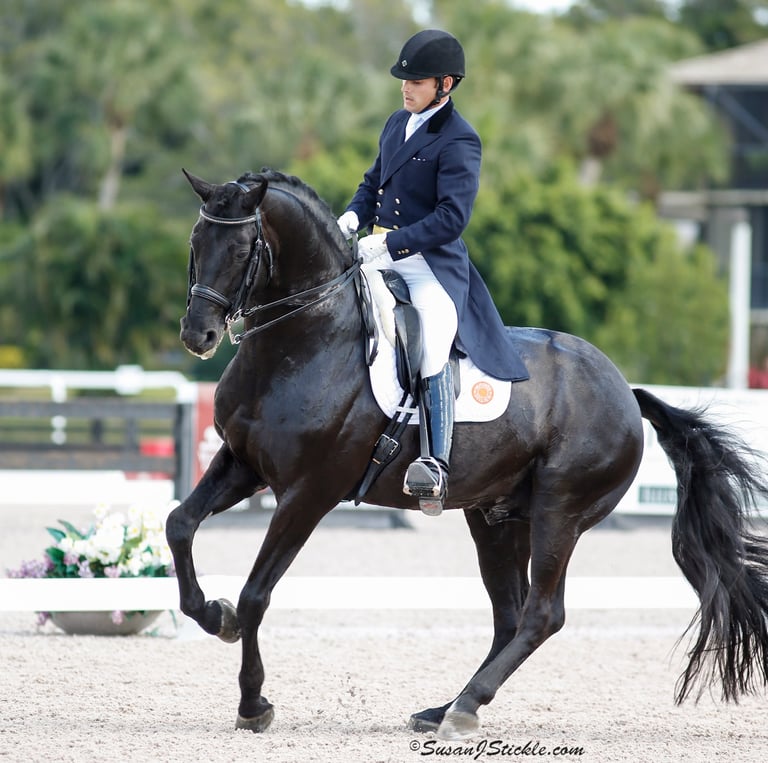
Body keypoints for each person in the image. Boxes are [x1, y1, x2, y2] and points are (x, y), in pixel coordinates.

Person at [337, 29, 528, 510]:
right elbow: (373, 181)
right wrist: (354, 215)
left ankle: (435, 465)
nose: (406, 88)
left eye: (416, 81)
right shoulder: (395, 124)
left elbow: (452, 218)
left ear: (445, 84)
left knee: (433, 344)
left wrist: (391, 246)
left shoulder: (460, 139)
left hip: (429, 266)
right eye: (404, 80)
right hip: (377, 252)